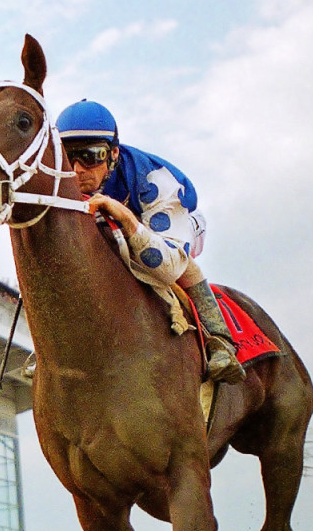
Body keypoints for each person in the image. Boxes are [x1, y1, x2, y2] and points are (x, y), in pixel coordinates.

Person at [51, 99, 245, 384]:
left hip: (173, 221)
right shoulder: (60, 178)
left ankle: (220, 340)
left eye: (92, 155)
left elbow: (168, 268)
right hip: (116, 221)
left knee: (180, 267)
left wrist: (128, 220)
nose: (78, 169)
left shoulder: (155, 182)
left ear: (113, 153)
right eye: (69, 157)